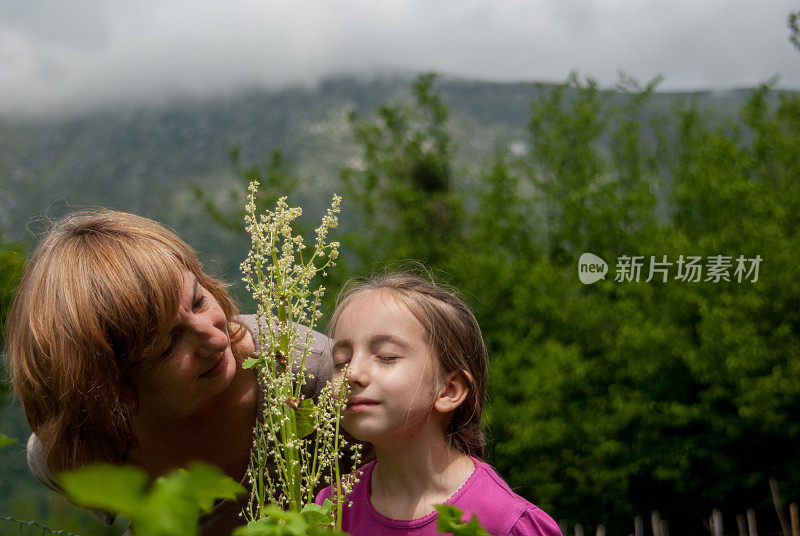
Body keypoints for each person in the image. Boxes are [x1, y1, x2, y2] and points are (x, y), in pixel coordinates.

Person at [5, 208, 332, 536]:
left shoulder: (306, 372)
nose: (217, 339)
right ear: (113, 388)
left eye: (199, 301)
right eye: (171, 343)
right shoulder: (83, 444)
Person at [315, 273, 561, 536]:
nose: (352, 373)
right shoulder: (330, 509)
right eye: (341, 361)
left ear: (449, 390)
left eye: (386, 356)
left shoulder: (504, 523)